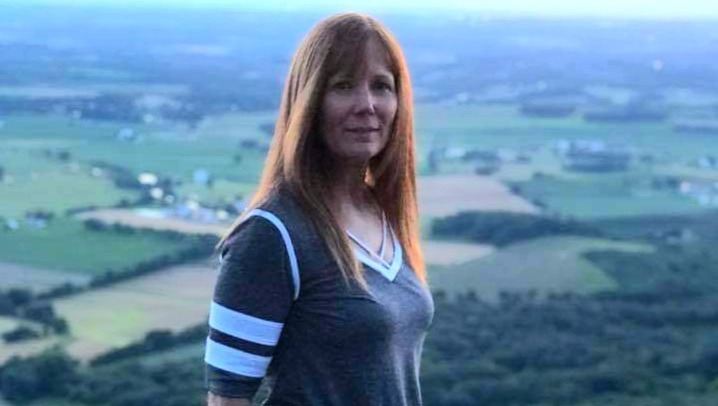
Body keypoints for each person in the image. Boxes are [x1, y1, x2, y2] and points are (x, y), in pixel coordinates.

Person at [204, 12, 434, 406]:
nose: (367, 105)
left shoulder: (383, 213)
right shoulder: (272, 234)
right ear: (308, 101)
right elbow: (227, 400)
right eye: (343, 86)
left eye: (381, 86)